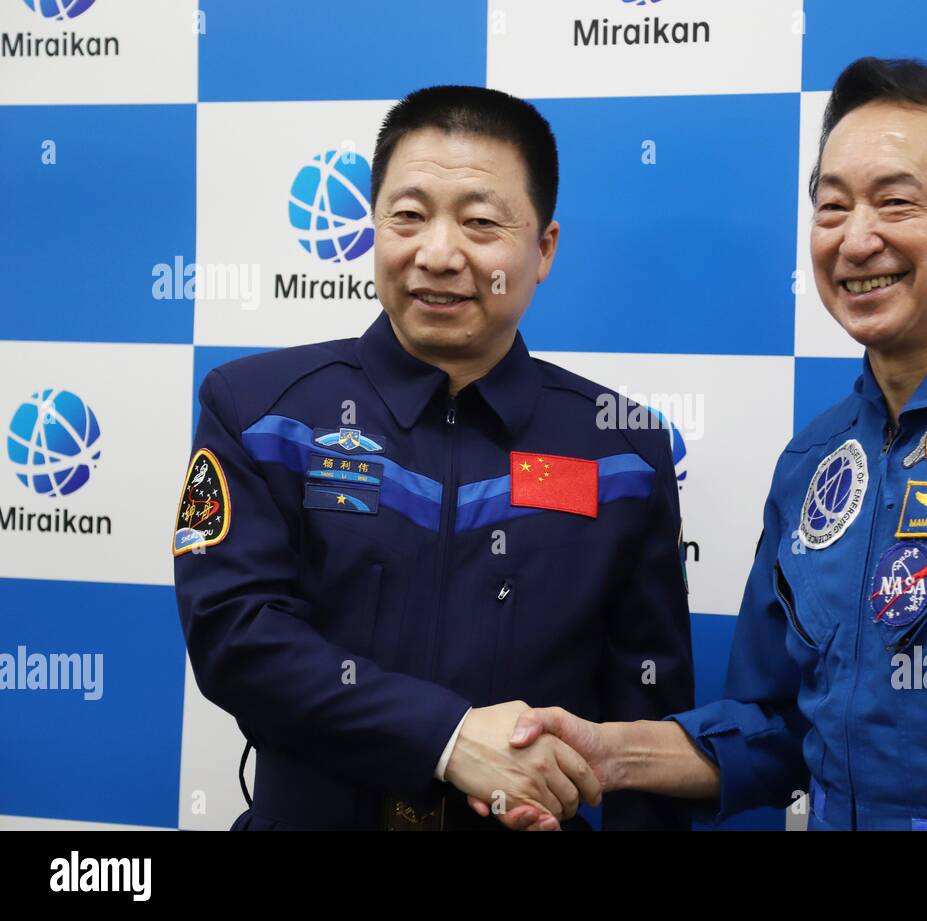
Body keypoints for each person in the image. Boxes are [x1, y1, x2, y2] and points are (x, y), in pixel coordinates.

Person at [481, 57, 927, 831]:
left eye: (896, 201)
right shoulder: (816, 463)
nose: (857, 240)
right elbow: (780, 727)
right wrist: (604, 754)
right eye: (832, 207)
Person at [172, 85, 693, 831]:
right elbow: (237, 638)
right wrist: (447, 739)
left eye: (480, 222)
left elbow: (647, 725)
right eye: (408, 217)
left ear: (542, 249)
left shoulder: (622, 449)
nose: (438, 254)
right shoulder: (261, 410)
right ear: (374, 227)